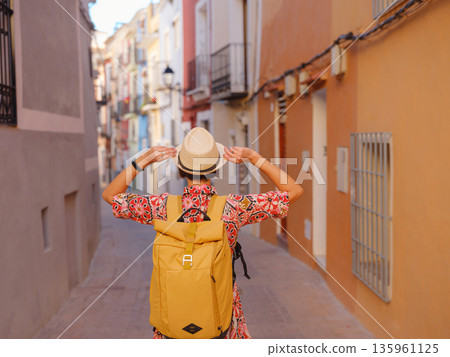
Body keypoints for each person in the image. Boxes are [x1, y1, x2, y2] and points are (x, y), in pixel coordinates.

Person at [102, 127, 304, 339]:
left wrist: (140, 162)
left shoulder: (161, 207)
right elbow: (294, 191)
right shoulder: (234, 208)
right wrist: (254, 157)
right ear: (216, 169)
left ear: (180, 170)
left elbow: (110, 195)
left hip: (173, 321)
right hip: (222, 320)